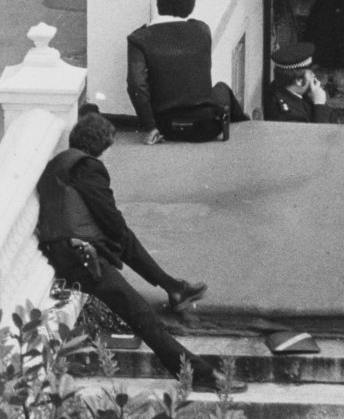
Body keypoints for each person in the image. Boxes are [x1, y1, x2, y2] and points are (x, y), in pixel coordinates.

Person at [35, 106, 247, 393]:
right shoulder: (87, 166)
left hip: (64, 251)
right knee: (143, 317)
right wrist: (119, 242)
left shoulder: (58, 165)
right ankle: (200, 375)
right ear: (100, 146)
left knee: (127, 248)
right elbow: (110, 219)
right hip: (82, 257)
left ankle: (174, 287)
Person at [127, 0, 248, 144]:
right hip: (205, 126)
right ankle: (247, 124)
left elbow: (137, 85)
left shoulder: (138, 38)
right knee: (223, 89)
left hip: (165, 126)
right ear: (190, 7)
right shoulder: (202, 30)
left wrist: (150, 127)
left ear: (158, 3)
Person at [263, 42, 335, 123]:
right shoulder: (288, 114)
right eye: (311, 73)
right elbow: (316, 135)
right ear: (299, 81)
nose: (313, 76)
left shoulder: (281, 88)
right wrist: (320, 105)